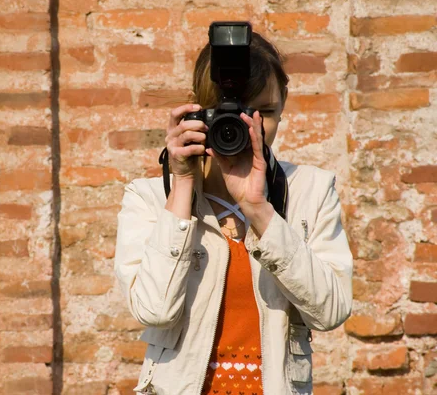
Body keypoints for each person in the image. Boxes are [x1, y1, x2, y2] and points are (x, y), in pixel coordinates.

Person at [114, 29, 353, 395]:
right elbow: (153, 311)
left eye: (265, 112)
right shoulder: (149, 198)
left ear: (284, 103)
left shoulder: (311, 190)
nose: (250, 127)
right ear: (198, 111)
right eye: (232, 114)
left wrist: (260, 211)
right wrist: (181, 187)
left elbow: (331, 312)